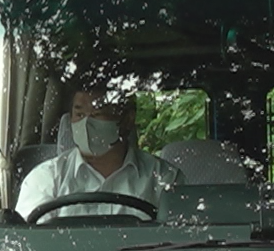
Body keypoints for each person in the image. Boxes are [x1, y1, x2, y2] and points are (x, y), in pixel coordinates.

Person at [15, 89, 183, 220]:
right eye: (80, 114)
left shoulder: (163, 179)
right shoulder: (46, 179)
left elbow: (182, 245)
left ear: (127, 120)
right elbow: (26, 250)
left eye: (97, 114)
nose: (86, 123)